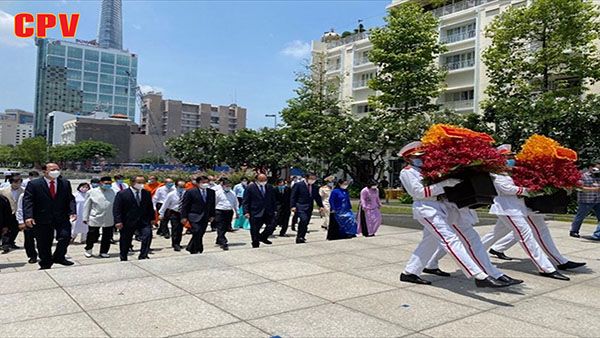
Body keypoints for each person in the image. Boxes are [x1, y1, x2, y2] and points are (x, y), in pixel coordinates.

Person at [397, 142, 508, 288]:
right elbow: (418, 193)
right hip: (427, 208)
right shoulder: (408, 172)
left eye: (424, 155)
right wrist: (443, 184)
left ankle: (410, 272)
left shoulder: (427, 170)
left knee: (429, 243)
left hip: (442, 207)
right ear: (408, 159)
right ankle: (478, 275)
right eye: (418, 156)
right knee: (450, 240)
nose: (423, 158)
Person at [479, 145, 571, 280]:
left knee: (495, 234)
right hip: (507, 209)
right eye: (508, 157)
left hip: (516, 208)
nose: (511, 159)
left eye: (511, 156)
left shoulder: (509, 171)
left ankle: (474, 252)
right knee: (525, 236)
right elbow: (506, 189)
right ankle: (545, 268)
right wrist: (529, 190)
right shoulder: (495, 173)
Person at [23, 163, 77, 269]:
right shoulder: (34, 184)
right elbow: (28, 201)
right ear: (45, 171)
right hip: (42, 217)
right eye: (52, 169)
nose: (56, 171)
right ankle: (46, 262)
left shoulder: (65, 183)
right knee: (44, 242)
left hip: (61, 216)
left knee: (65, 237)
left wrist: (72, 211)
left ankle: (59, 256)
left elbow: (70, 199)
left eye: (57, 169)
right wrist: (28, 216)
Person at [113, 175, 155, 261]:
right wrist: (118, 221)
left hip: (143, 221)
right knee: (125, 240)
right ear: (132, 182)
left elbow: (150, 207)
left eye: (143, 182)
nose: (141, 184)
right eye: (139, 182)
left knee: (148, 236)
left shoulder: (146, 193)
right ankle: (123, 256)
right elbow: (116, 209)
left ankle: (143, 255)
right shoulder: (122, 194)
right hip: (127, 221)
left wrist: (152, 218)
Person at [180, 176, 215, 254]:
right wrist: (184, 217)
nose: (205, 184)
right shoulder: (190, 192)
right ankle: (198, 248)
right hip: (194, 215)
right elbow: (185, 205)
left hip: (205, 216)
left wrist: (212, 215)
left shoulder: (211, 192)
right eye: (203, 182)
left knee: (201, 232)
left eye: (206, 182)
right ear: (198, 183)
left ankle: (191, 247)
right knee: (197, 231)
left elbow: (212, 205)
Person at [83, 177, 115, 258]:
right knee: (92, 234)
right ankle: (88, 249)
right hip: (95, 217)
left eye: (109, 183)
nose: (108, 185)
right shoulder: (91, 192)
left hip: (109, 217)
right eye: (106, 183)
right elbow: (87, 205)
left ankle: (104, 251)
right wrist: (85, 218)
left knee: (107, 236)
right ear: (100, 183)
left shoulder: (113, 191)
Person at [242, 174, 277, 248]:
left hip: (268, 211)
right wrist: (246, 212)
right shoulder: (250, 187)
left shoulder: (269, 187)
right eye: (261, 180)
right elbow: (245, 201)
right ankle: (255, 242)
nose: (263, 182)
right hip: (255, 211)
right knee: (255, 229)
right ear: (257, 180)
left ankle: (263, 237)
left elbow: (273, 199)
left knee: (272, 225)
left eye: (265, 180)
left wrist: (275, 209)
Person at [290, 173, 324, 244]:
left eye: (314, 179)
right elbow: (293, 196)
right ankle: (299, 237)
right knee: (303, 219)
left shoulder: (314, 187)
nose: (313, 180)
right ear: (306, 178)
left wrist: (320, 206)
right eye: (311, 178)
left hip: (309, 207)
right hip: (300, 206)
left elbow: (317, 197)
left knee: (306, 222)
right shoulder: (298, 185)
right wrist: (293, 206)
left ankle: (302, 236)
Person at [570, 162, 600, 238]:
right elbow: (579, 188)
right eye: (597, 168)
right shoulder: (583, 176)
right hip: (586, 200)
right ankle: (574, 231)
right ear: (590, 167)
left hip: (597, 200)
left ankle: (597, 235)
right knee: (580, 217)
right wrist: (595, 189)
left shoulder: (598, 176)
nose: (598, 170)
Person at [159, 179, 187, 251]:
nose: (182, 188)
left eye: (183, 186)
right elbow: (165, 204)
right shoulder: (171, 194)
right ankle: (175, 244)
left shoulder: (186, 193)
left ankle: (178, 242)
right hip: (174, 213)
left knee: (180, 229)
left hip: (182, 213)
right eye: (180, 186)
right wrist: (161, 213)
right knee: (175, 228)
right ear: (176, 186)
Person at [0, 175, 23, 253]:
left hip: (17, 213)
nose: (17, 184)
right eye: (15, 182)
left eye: (19, 182)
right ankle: (5, 244)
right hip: (7, 213)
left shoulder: (24, 191)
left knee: (15, 229)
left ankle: (11, 242)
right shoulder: (3, 191)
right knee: (6, 228)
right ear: (11, 182)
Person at [213, 179, 238, 251]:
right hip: (219, 211)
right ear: (223, 186)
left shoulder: (233, 193)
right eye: (226, 185)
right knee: (220, 227)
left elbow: (235, 203)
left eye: (229, 186)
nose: (228, 187)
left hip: (229, 211)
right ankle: (223, 242)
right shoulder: (218, 193)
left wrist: (237, 212)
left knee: (226, 227)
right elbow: (214, 203)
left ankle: (219, 239)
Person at [16, 192, 37, 263]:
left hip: (41, 219)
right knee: (29, 239)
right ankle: (32, 255)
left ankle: (44, 254)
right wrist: (21, 221)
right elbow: (20, 209)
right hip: (28, 220)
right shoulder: (23, 195)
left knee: (43, 239)